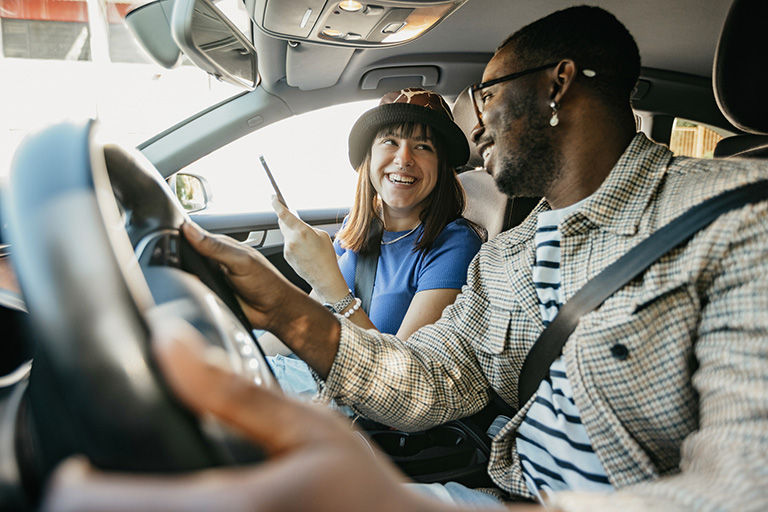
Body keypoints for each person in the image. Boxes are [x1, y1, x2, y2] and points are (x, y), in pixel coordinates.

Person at [44, 5, 768, 511]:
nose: (474, 128)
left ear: (556, 84)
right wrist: (290, 312)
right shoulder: (507, 259)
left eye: (484, 96)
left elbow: (745, 488)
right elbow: (431, 379)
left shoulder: (742, 216)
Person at [264, 88, 482, 397]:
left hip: (358, 406)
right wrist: (249, 354)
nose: (404, 158)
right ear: (369, 157)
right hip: (313, 369)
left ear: (442, 167)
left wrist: (335, 289)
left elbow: (402, 382)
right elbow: (305, 319)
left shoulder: (455, 245)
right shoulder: (361, 225)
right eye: (390, 142)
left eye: (423, 146)